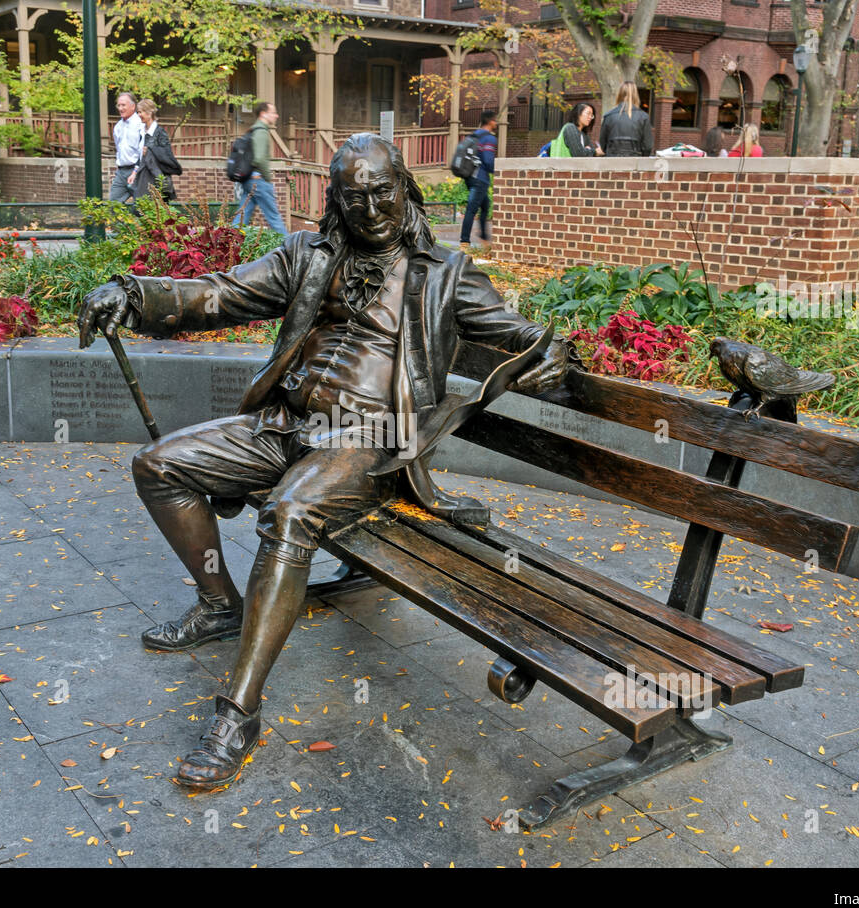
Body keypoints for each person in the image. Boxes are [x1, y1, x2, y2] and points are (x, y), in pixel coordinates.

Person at [78, 133, 571, 789]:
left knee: (290, 511)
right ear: (337, 200)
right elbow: (217, 294)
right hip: (287, 423)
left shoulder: (444, 276)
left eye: (382, 193)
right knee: (160, 465)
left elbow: (530, 341)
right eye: (354, 197)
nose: (370, 210)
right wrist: (133, 294)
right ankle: (220, 602)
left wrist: (551, 356)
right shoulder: (308, 257)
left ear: (406, 189)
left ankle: (237, 712)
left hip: (369, 444)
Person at [232, 102, 287, 236]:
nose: (276, 115)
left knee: (242, 215)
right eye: (273, 112)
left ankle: (228, 240)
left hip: (249, 179)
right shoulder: (261, 131)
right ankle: (290, 248)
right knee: (274, 217)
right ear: (263, 114)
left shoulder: (253, 130)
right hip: (258, 179)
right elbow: (260, 159)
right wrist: (268, 178)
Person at [128, 99, 179, 203]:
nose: (138, 114)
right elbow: (140, 156)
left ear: (149, 112)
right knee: (141, 207)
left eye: (140, 112)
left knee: (154, 209)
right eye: (138, 112)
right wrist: (134, 172)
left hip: (155, 175)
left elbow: (167, 155)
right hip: (143, 173)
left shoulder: (160, 133)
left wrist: (151, 150)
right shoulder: (142, 132)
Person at [460, 109, 498, 247]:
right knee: (472, 208)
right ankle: (464, 242)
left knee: (485, 205)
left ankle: (484, 239)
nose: (496, 123)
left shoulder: (473, 136)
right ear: (490, 121)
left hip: (469, 176)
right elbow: (488, 160)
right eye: (495, 120)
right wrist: (496, 171)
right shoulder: (489, 138)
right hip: (479, 178)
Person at [600, 81, 653, 157]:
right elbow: (647, 146)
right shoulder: (643, 117)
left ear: (620, 94)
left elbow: (603, 145)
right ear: (636, 95)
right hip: (635, 161)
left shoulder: (609, 116)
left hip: (612, 160)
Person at [110, 92, 145, 204]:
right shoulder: (118, 127)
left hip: (138, 171)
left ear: (133, 106)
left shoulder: (140, 124)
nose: (120, 108)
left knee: (142, 209)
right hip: (121, 172)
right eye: (118, 105)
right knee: (113, 206)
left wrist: (136, 171)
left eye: (123, 105)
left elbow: (144, 151)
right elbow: (119, 149)